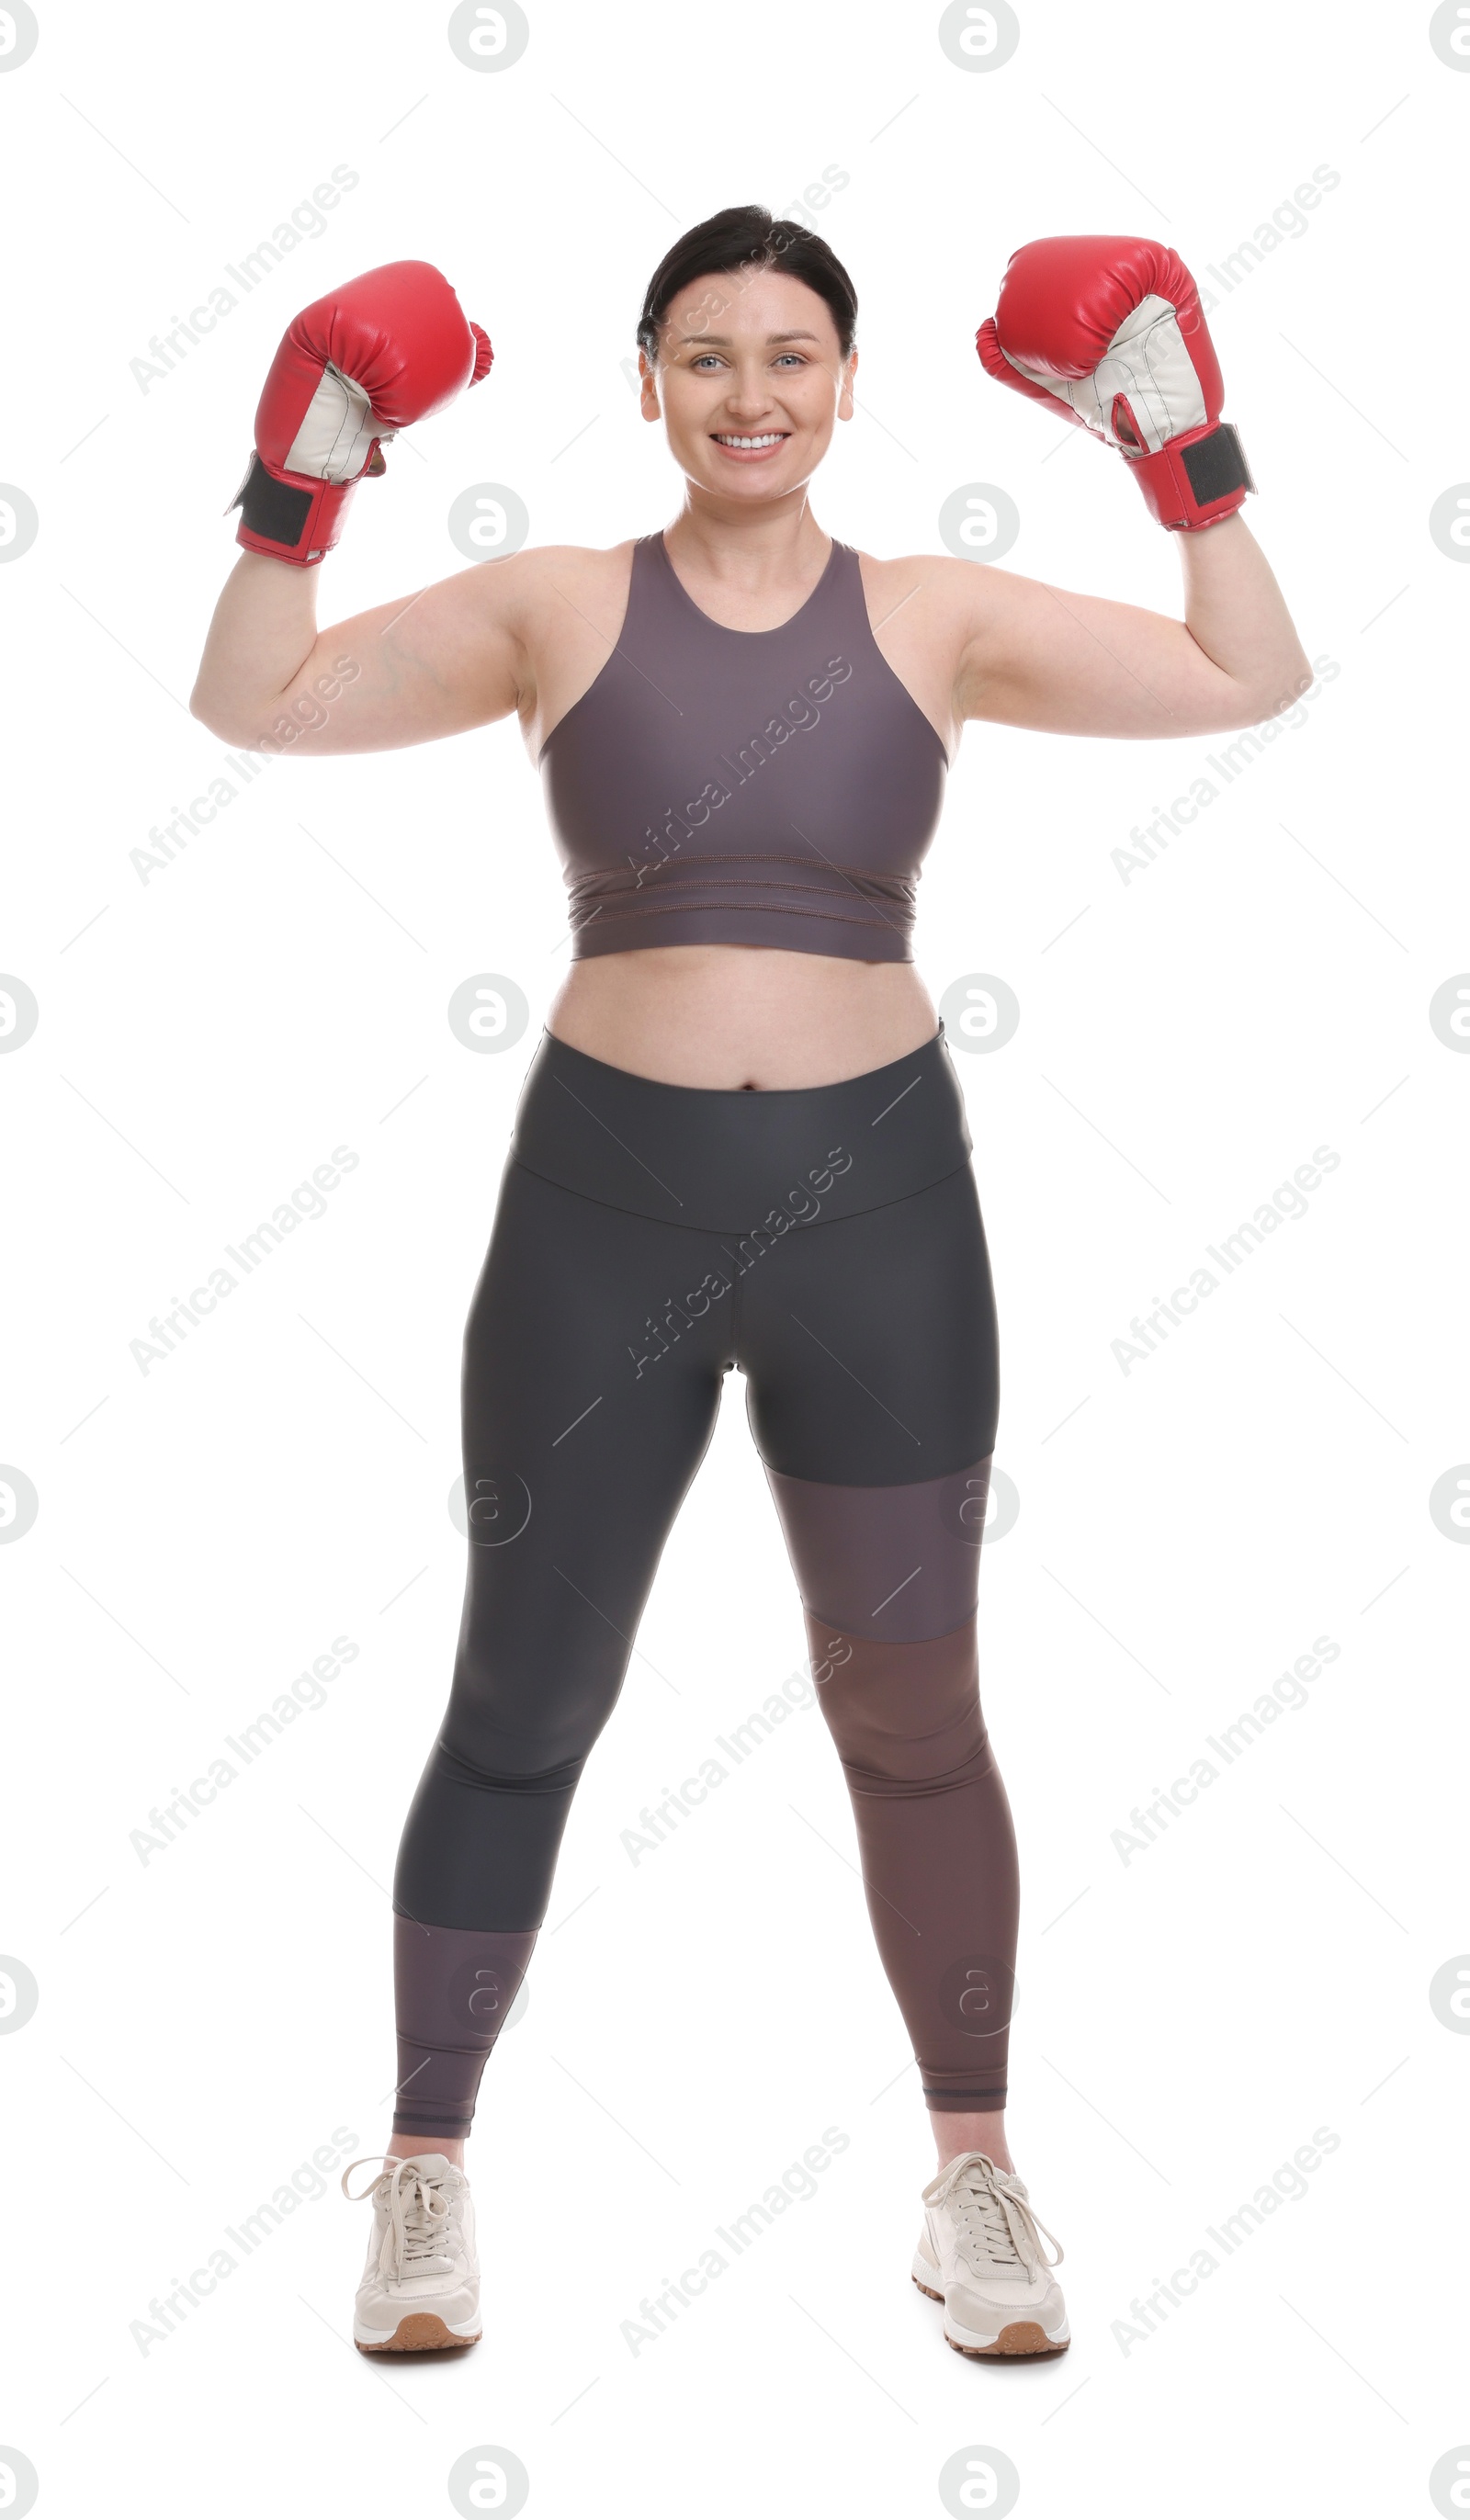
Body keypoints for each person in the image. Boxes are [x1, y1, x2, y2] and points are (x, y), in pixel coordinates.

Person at [189, 209, 1309, 2362]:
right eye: (704, 357)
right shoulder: (551, 604)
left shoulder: (939, 615)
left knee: (912, 1711)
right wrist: (301, 465)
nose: (750, 394)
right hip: (599, 1211)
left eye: (790, 354)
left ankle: (970, 2172)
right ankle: (421, 2176)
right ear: (645, 383)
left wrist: (1182, 455)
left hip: (876, 1218)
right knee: (523, 1698)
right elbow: (257, 697)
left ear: (847, 383)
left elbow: (1246, 674)